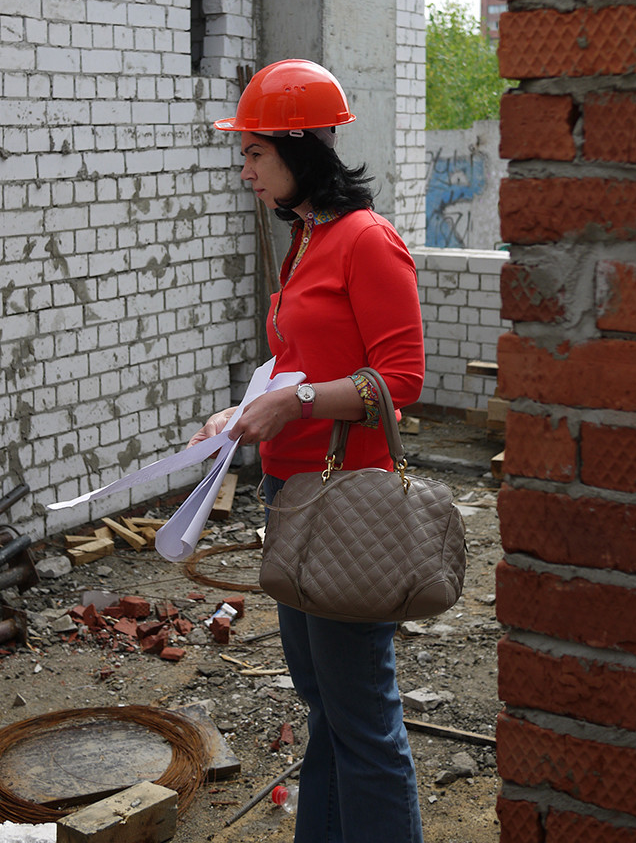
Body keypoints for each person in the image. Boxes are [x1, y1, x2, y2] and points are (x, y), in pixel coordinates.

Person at [189, 58, 426, 843]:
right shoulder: (305, 241)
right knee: (325, 702)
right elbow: (301, 369)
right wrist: (244, 410)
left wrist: (291, 401)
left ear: (301, 150)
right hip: (292, 498)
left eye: (255, 152)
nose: (245, 168)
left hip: (348, 504)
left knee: (365, 720)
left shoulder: (366, 241)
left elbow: (401, 380)